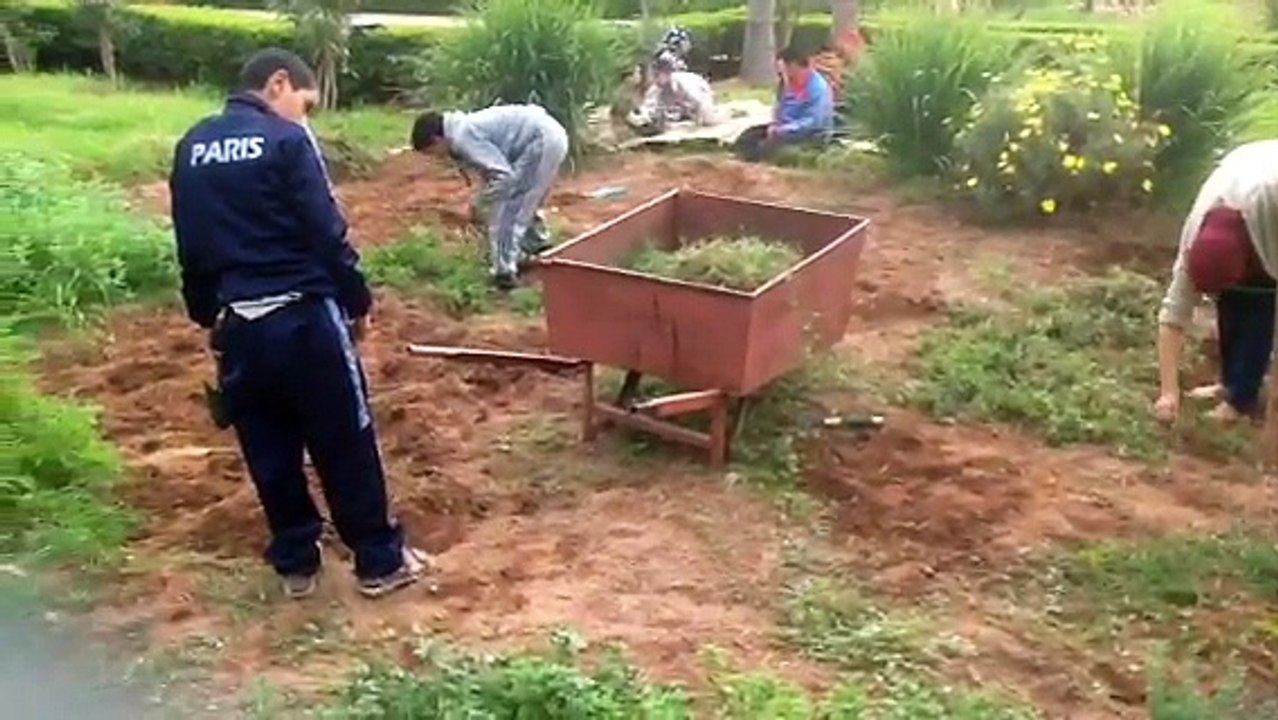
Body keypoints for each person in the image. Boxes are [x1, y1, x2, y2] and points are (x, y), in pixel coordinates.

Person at [169, 48, 427, 601]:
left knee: (268, 446)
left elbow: (190, 244)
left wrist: (207, 314)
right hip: (305, 319)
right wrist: (357, 301)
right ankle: (379, 560)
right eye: (305, 104)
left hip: (238, 326)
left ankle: (296, 562)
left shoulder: (192, 146)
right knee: (345, 439)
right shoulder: (286, 142)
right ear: (278, 83)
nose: (304, 117)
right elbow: (326, 233)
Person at [1153, 139, 1278, 428]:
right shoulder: (1194, 237)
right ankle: (1231, 384)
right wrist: (1168, 393)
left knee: (1259, 300)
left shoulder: (1270, 210)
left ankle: (1241, 399)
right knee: (1237, 303)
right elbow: (1172, 316)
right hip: (1248, 170)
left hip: (1267, 194)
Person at [410, 104, 570, 290]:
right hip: (547, 135)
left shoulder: (463, 137)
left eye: (432, 152)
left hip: (540, 140)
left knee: (508, 207)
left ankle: (504, 272)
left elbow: (503, 177)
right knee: (524, 199)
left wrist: (480, 203)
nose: (436, 158)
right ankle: (536, 247)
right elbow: (494, 172)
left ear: (437, 140)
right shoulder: (463, 128)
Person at [732, 46, 835, 163]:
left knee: (766, 148)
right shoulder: (786, 83)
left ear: (794, 66)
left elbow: (814, 121)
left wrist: (783, 130)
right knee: (749, 137)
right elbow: (779, 107)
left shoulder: (817, 88)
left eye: (783, 70)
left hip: (809, 134)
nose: (781, 74)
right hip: (785, 128)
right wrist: (776, 125)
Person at [627, 57, 719, 135]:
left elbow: (698, 101)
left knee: (708, 120)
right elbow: (651, 106)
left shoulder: (683, 83)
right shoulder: (657, 88)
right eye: (654, 75)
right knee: (666, 119)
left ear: (666, 73)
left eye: (657, 75)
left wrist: (699, 118)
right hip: (681, 106)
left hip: (700, 92)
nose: (655, 79)